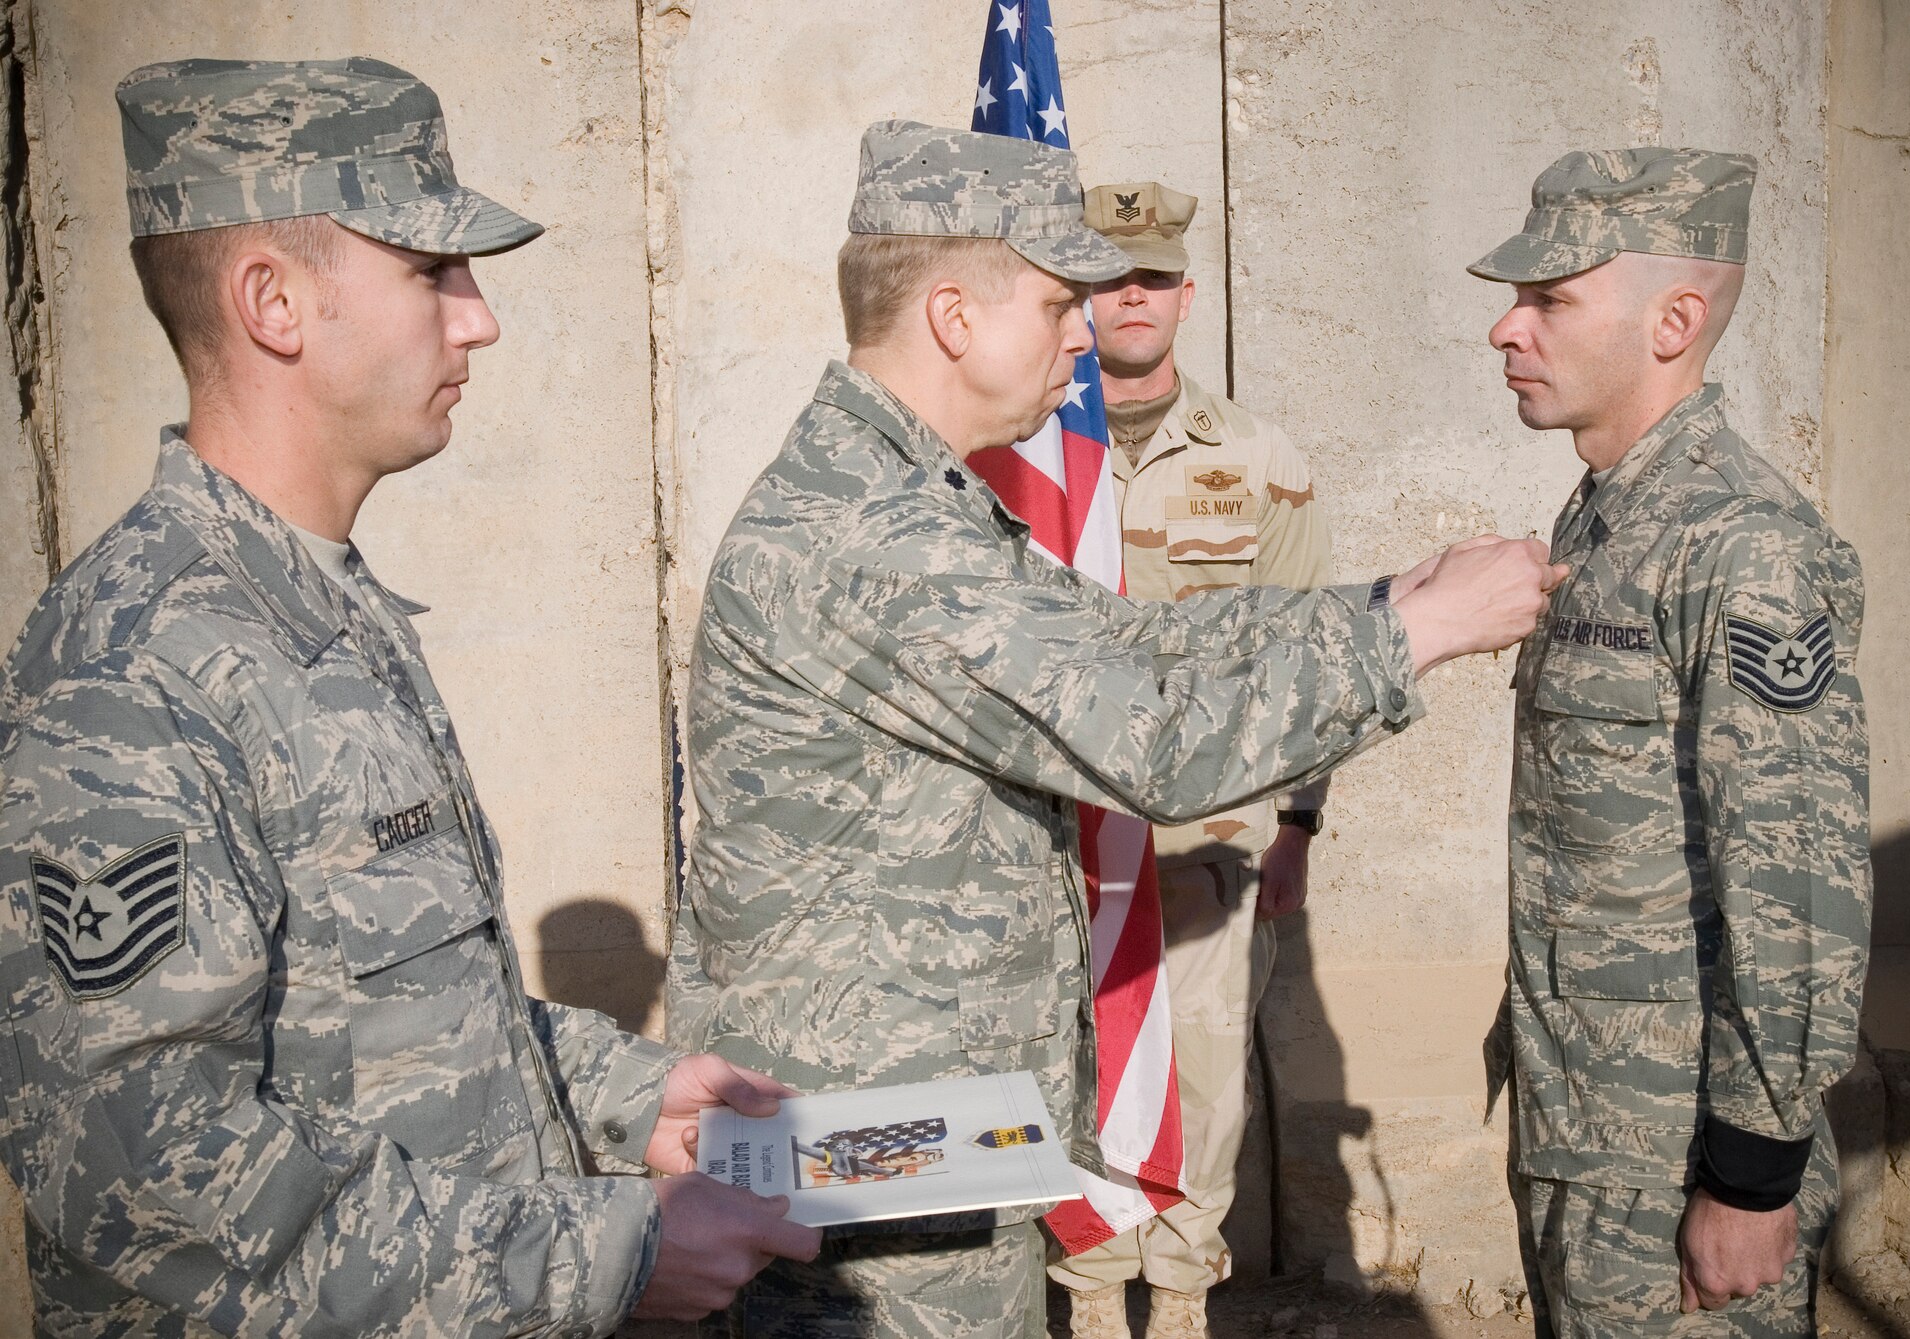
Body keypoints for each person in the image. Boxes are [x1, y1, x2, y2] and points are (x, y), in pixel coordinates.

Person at [667, 118, 1564, 1339]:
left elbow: (1120, 641)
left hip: (917, 1137)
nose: (1084, 330)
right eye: (1054, 301)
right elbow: (1147, 736)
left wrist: (1380, 602)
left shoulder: (903, 494)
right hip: (871, 1168)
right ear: (953, 316)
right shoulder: (871, 540)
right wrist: (1417, 637)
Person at [0, 57, 818, 1335]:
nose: (478, 318)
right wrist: (599, 1260)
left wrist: (626, 1094)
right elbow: (146, 1187)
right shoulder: (131, 671)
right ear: (273, 301)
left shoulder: (320, 611)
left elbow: (384, 1031)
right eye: (431, 271)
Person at [1472, 148, 1871, 1336]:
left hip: (1674, 1155)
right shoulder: (1605, 513)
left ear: (1673, 320)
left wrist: (1751, 1171)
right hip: (1586, 1122)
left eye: (1548, 300)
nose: (1504, 327)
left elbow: (1798, 880)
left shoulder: (1739, 545)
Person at [1049, 180, 1333, 1339]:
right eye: (1110, 275)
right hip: (1061, 830)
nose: (1132, 295)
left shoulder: (1257, 458)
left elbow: (1308, 656)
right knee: (1071, 1057)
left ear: (1185, 294)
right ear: (1074, 294)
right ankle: (1086, 1291)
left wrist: (1300, 826)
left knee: (1205, 1077)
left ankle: (1175, 1299)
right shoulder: (1020, 454)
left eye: (1152, 277)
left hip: (1209, 829)